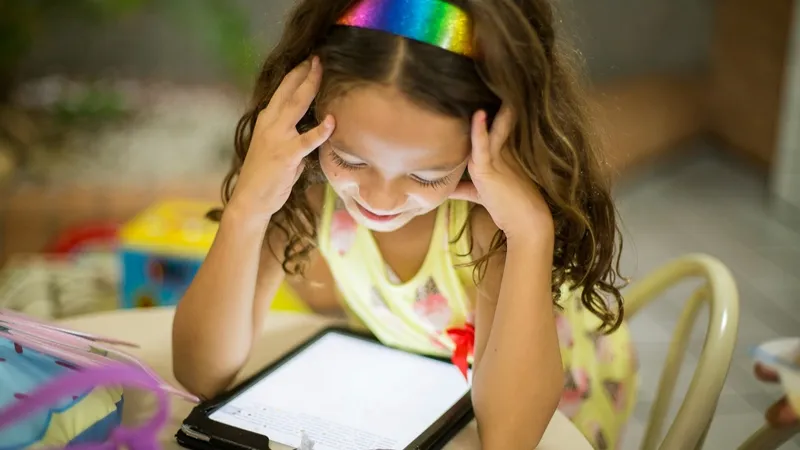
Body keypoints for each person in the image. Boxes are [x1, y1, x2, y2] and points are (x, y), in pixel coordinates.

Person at [172, 0, 637, 448]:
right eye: (349, 159)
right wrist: (247, 209)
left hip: (560, 412)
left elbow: (509, 439)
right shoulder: (310, 194)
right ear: (310, 116)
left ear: (495, 144)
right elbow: (200, 373)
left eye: (425, 174)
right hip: (421, 394)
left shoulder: (488, 228)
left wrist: (531, 232)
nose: (380, 198)